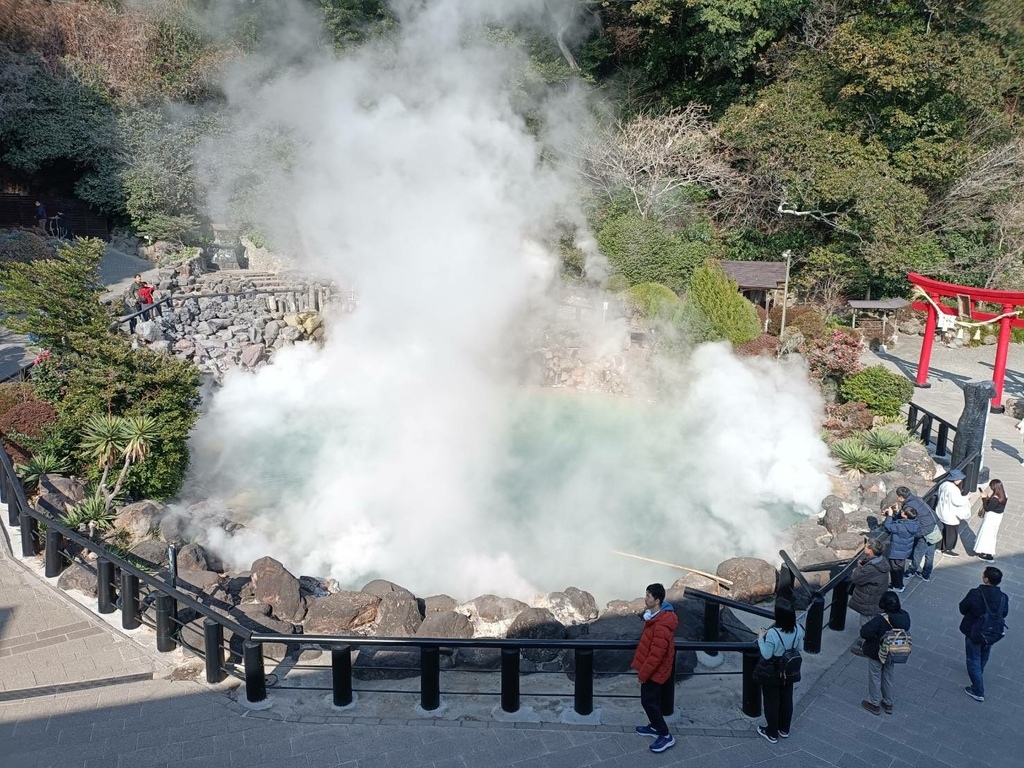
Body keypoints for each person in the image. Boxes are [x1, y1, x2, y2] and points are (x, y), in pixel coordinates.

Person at [631, 583, 677, 754]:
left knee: (648, 701)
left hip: (654, 671)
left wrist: (643, 674)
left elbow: (656, 655)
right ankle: (654, 726)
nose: (645, 598)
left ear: (657, 600)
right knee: (652, 701)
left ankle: (665, 735)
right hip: (653, 669)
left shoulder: (660, 626)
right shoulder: (656, 617)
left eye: (648, 596)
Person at [756, 598, 804, 744]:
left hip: (773, 671)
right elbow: (800, 649)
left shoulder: (772, 634)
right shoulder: (798, 629)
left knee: (772, 701)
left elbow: (766, 654)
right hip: (789, 671)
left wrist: (760, 638)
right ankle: (784, 729)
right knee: (786, 699)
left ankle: (771, 732)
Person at [958, 566, 1009, 702]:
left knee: (973, 658)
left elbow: (963, 608)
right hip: (992, 632)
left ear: (986, 579)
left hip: (974, 630)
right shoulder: (1003, 597)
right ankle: (979, 672)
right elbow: (1004, 613)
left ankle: (978, 690)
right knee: (985, 653)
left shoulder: (976, 593)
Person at [859, 591, 911, 715]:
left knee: (875, 676)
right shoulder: (905, 616)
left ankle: (874, 703)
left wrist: (873, 637)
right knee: (888, 676)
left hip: (877, 652)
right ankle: (888, 702)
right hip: (893, 653)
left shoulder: (881, 619)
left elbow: (864, 632)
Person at [848, 539, 890, 655]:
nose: (864, 548)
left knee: (866, 625)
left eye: (866, 546)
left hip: (869, 600)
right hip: (876, 598)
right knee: (870, 622)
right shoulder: (881, 561)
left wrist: (859, 568)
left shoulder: (871, 568)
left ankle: (866, 649)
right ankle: (867, 644)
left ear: (870, 550)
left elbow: (856, 578)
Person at [899, 487, 940, 582]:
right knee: (930, 553)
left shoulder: (908, 506)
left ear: (901, 497)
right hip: (935, 527)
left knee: (918, 553)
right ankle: (926, 574)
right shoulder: (917, 499)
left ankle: (911, 571)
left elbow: (909, 520)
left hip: (925, 531)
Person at [935, 468, 973, 557]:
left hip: (941, 511)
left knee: (942, 531)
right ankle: (947, 549)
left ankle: (939, 547)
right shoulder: (954, 489)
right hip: (950, 515)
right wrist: (967, 497)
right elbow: (958, 502)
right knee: (951, 534)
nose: (960, 481)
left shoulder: (943, 485)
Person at [883, 504, 918, 592]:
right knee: (900, 568)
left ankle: (898, 586)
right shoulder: (914, 523)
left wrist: (889, 515)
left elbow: (888, 526)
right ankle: (899, 584)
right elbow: (900, 522)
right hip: (905, 551)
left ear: (905, 516)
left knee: (895, 569)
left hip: (896, 551)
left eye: (902, 512)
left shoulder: (901, 527)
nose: (901, 511)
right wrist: (897, 511)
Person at [975, 479, 1007, 561]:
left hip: (991, 518)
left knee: (986, 534)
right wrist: (988, 498)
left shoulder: (995, 499)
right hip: (997, 518)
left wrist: (984, 498)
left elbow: (987, 508)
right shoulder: (1004, 496)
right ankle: (988, 551)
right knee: (992, 535)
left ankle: (986, 553)